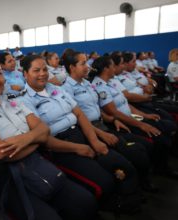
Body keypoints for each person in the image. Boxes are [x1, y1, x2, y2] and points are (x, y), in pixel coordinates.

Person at [0, 56, 97, 220]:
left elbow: (44, 130)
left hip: (35, 162)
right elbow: (1, 153)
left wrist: (24, 140)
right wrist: (36, 139)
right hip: (7, 178)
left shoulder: (11, 99)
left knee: (85, 201)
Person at [20, 55, 142, 213]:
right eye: (36, 70)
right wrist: (78, 148)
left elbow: (79, 114)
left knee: (120, 163)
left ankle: (125, 200)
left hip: (82, 132)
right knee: (104, 181)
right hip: (61, 146)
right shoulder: (24, 101)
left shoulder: (56, 89)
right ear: (25, 74)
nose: (42, 73)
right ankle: (110, 205)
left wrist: (94, 140)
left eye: (44, 69)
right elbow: (44, 138)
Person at [62, 51, 156, 192]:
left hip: (102, 124)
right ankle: (130, 194)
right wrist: (101, 133)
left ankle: (141, 184)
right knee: (132, 154)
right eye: (83, 63)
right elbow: (78, 117)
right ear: (72, 67)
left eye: (87, 62)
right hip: (90, 130)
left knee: (140, 147)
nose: (87, 66)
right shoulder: (66, 88)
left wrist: (112, 119)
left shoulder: (87, 83)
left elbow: (96, 107)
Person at [90, 56, 178, 179]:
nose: (115, 68)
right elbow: (114, 112)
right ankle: (158, 170)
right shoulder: (99, 86)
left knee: (162, 128)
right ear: (106, 68)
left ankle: (160, 166)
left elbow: (126, 104)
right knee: (158, 137)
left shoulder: (111, 81)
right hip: (122, 121)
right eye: (113, 65)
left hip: (131, 116)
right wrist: (142, 124)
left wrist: (145, 116)